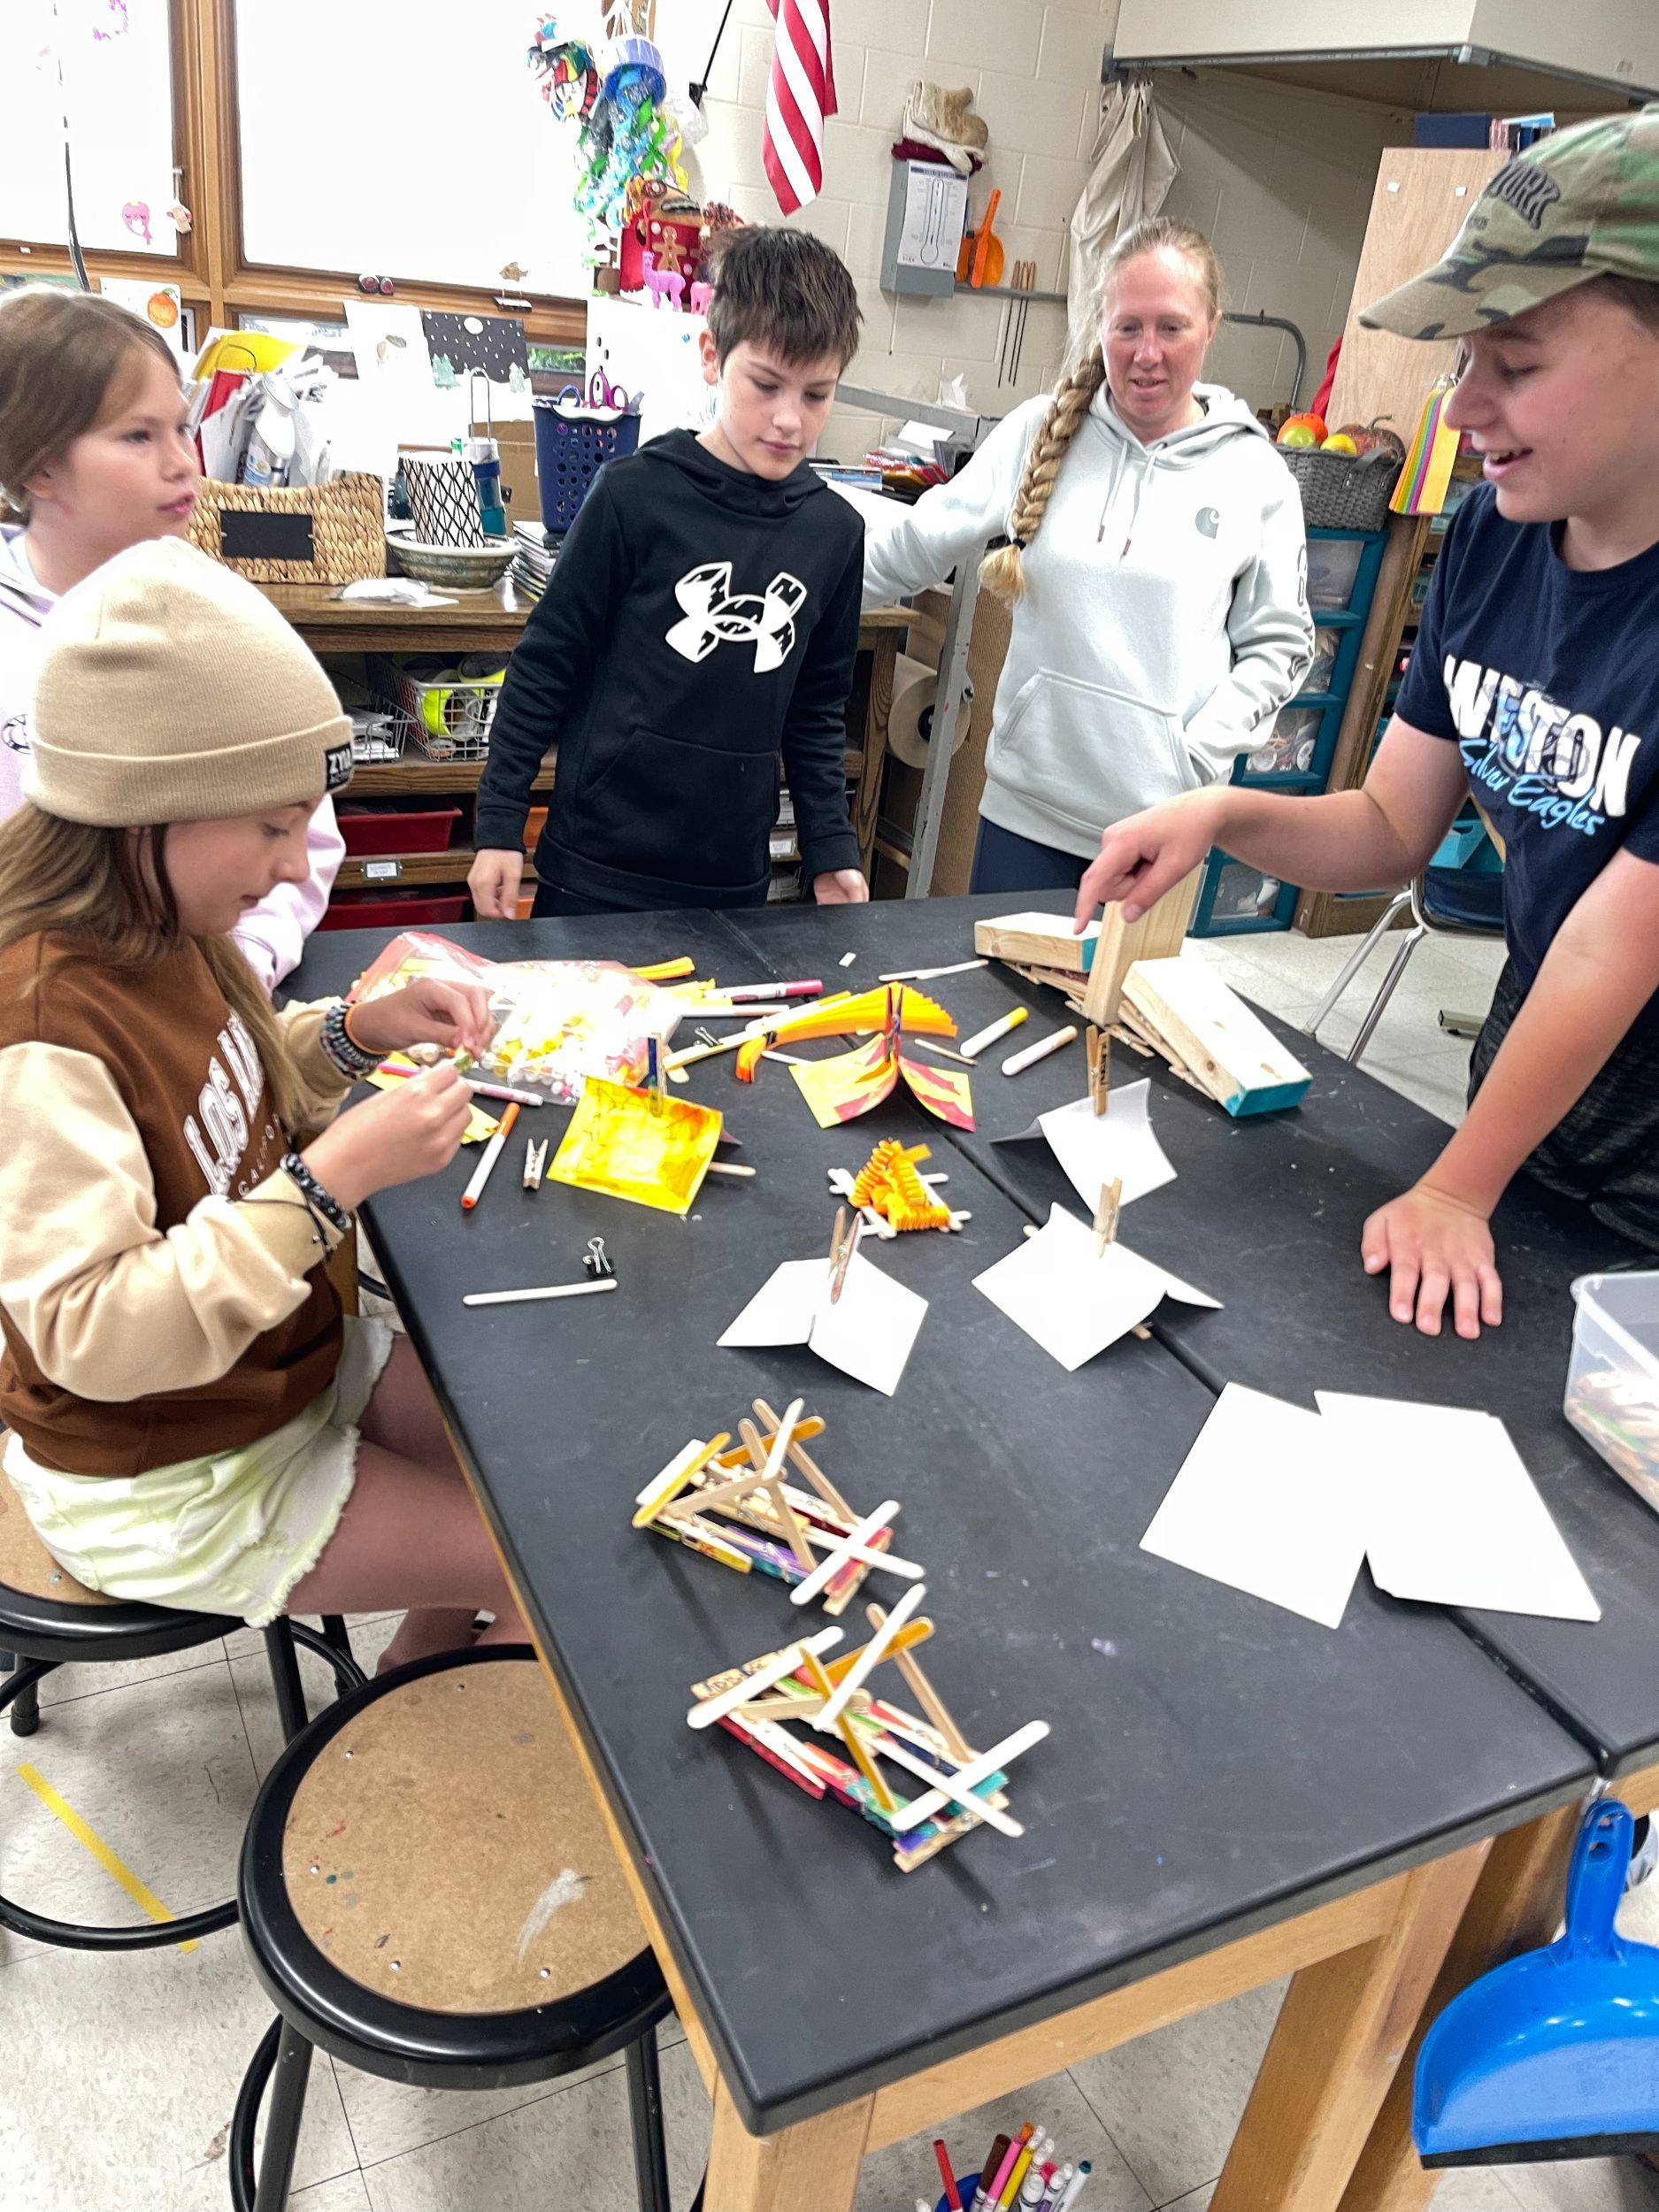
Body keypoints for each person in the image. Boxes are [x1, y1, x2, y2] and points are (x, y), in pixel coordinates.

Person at [1072, 108, 1659, 1340]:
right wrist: (1221, 812)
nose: (1461, 408)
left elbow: (1613, 951)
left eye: (1513, 364)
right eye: (1462, 360)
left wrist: (1455, 1185)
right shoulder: (1494, 540)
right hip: (1537, 1091)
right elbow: (1393, 823)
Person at [0, 539, 528, 1663]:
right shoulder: (43, 1026)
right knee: (545, 1555)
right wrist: (333, 1181)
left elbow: (218, 1082)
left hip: (270, 1367)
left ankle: (414, 1675)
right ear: (149, 808)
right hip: (165, 1474)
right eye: (274, 824)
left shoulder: (164, 922)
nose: (298, 866)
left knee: (534, 1461)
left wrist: (352, 1031)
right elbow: (90, 1331)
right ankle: (422, 1712)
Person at [860, 215, 1314, 895]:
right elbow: (917, 544)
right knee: (993, 969)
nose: (1146, 353)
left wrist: (1196, 756)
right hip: (1023, 817)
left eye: (1171, 327)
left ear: (1210, 328)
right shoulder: (1037, 432)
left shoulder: (1253, 475)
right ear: (1100, 323)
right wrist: (797, 586)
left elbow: (1281, 646)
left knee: (1116, 977)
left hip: (1160, 831)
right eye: (1127, 326)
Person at [469, 226, 870, 919]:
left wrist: (831, 848)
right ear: (712, 356)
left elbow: (816, 712)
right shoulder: (633, 495)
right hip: (595, 870)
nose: (788, 420)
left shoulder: (833, 533)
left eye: (816, 395)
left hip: (731, 882)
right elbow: (546, 663)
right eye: (766, 385)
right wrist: (500, 821)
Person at [0, 286, 344, 990]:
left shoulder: (225, 621)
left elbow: (300, 828)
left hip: (211, 1000)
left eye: (182, 428)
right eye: (138, 436)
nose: (184, 461)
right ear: (37, 465)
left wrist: (238, 969)